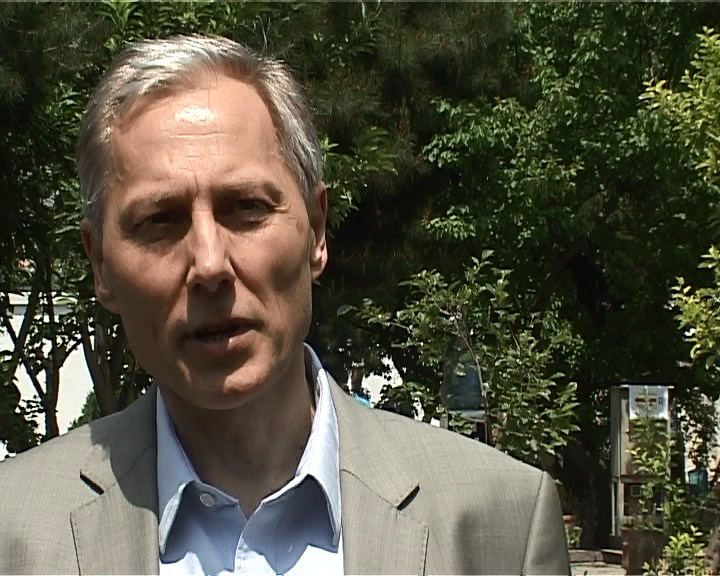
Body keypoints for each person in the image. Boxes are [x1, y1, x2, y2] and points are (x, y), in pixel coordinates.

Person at [0, 35, 570, 575]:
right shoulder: (15, 532)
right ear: (101, 264)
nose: (209, 264)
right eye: (160, 220)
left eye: (246, 207)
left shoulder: (498, 522)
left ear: (317, 230)